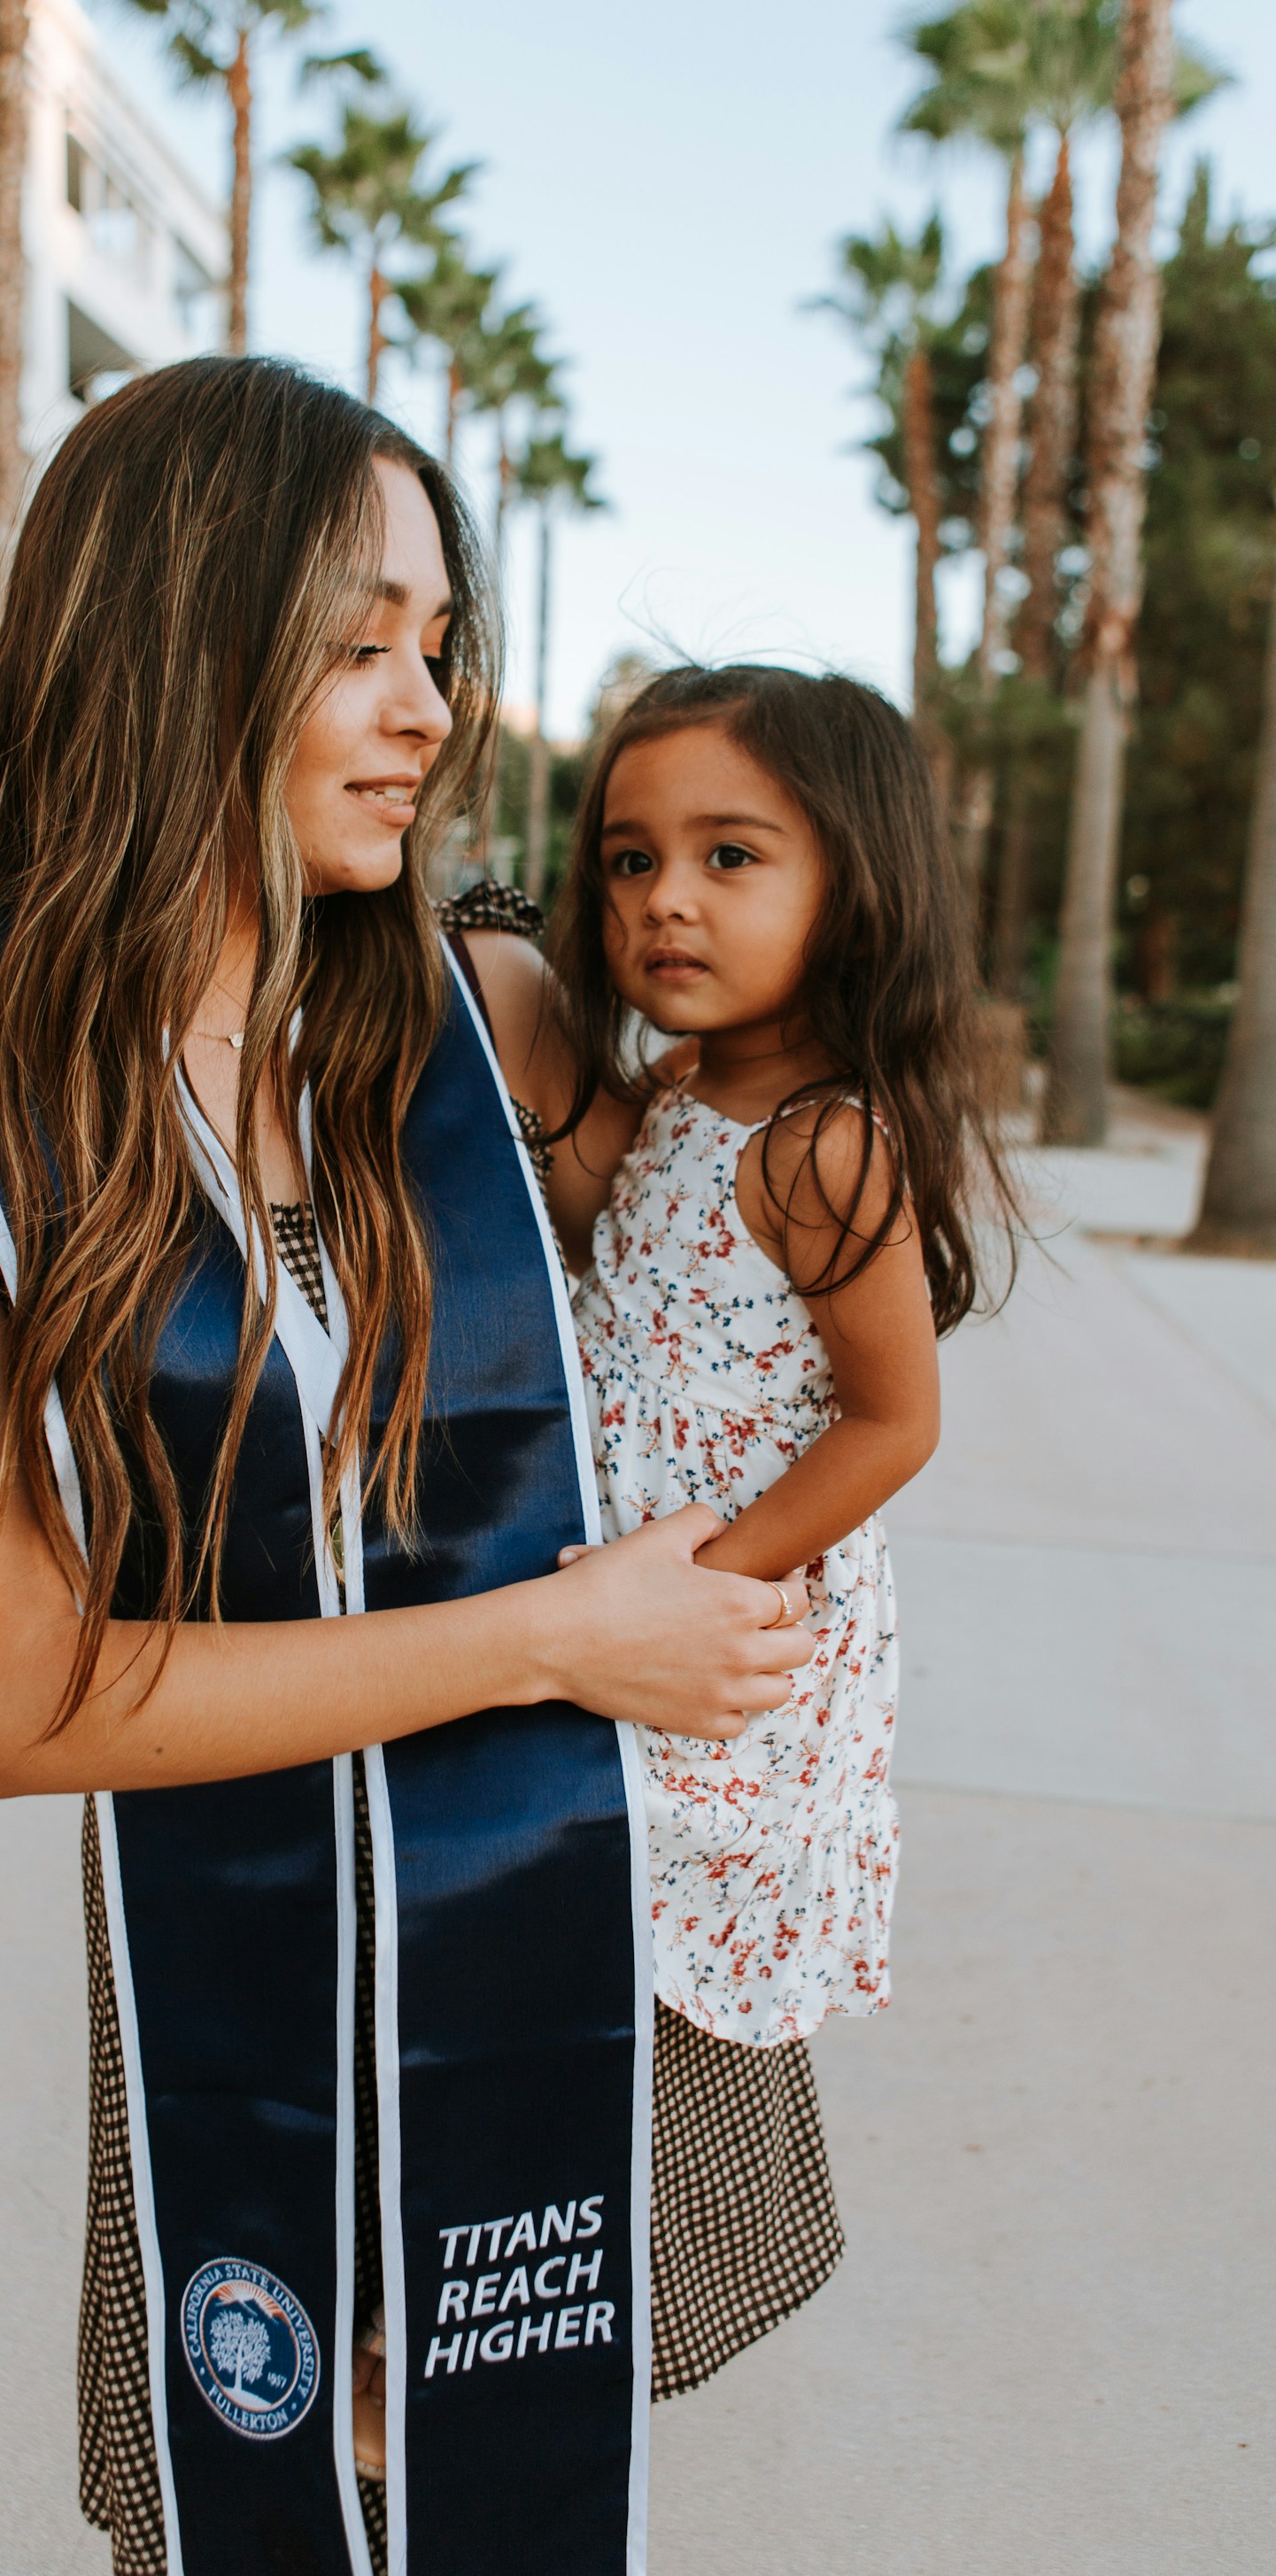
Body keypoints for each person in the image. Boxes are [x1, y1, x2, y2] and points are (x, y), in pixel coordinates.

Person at [0, 366, 835, 2576]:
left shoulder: (487, 1014)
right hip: (239, 1976)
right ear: (172, 634)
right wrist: (558, 1634)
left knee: (516, 2488)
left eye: (440, 646)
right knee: (285, 2495)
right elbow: (12, 1694)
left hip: (559, 1934)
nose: (428, 704)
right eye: (358, 640)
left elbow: (766, 1294)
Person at [538, 661, 1017, 2049]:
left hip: (724, 1613)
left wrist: (697, 1587)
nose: (660, 899)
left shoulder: (824, 1143)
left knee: (672, 1964)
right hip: (629, 1595)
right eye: (629, 859)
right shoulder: (687, 1087)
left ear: (854, 885)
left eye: (727, 855)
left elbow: (892, 1423)